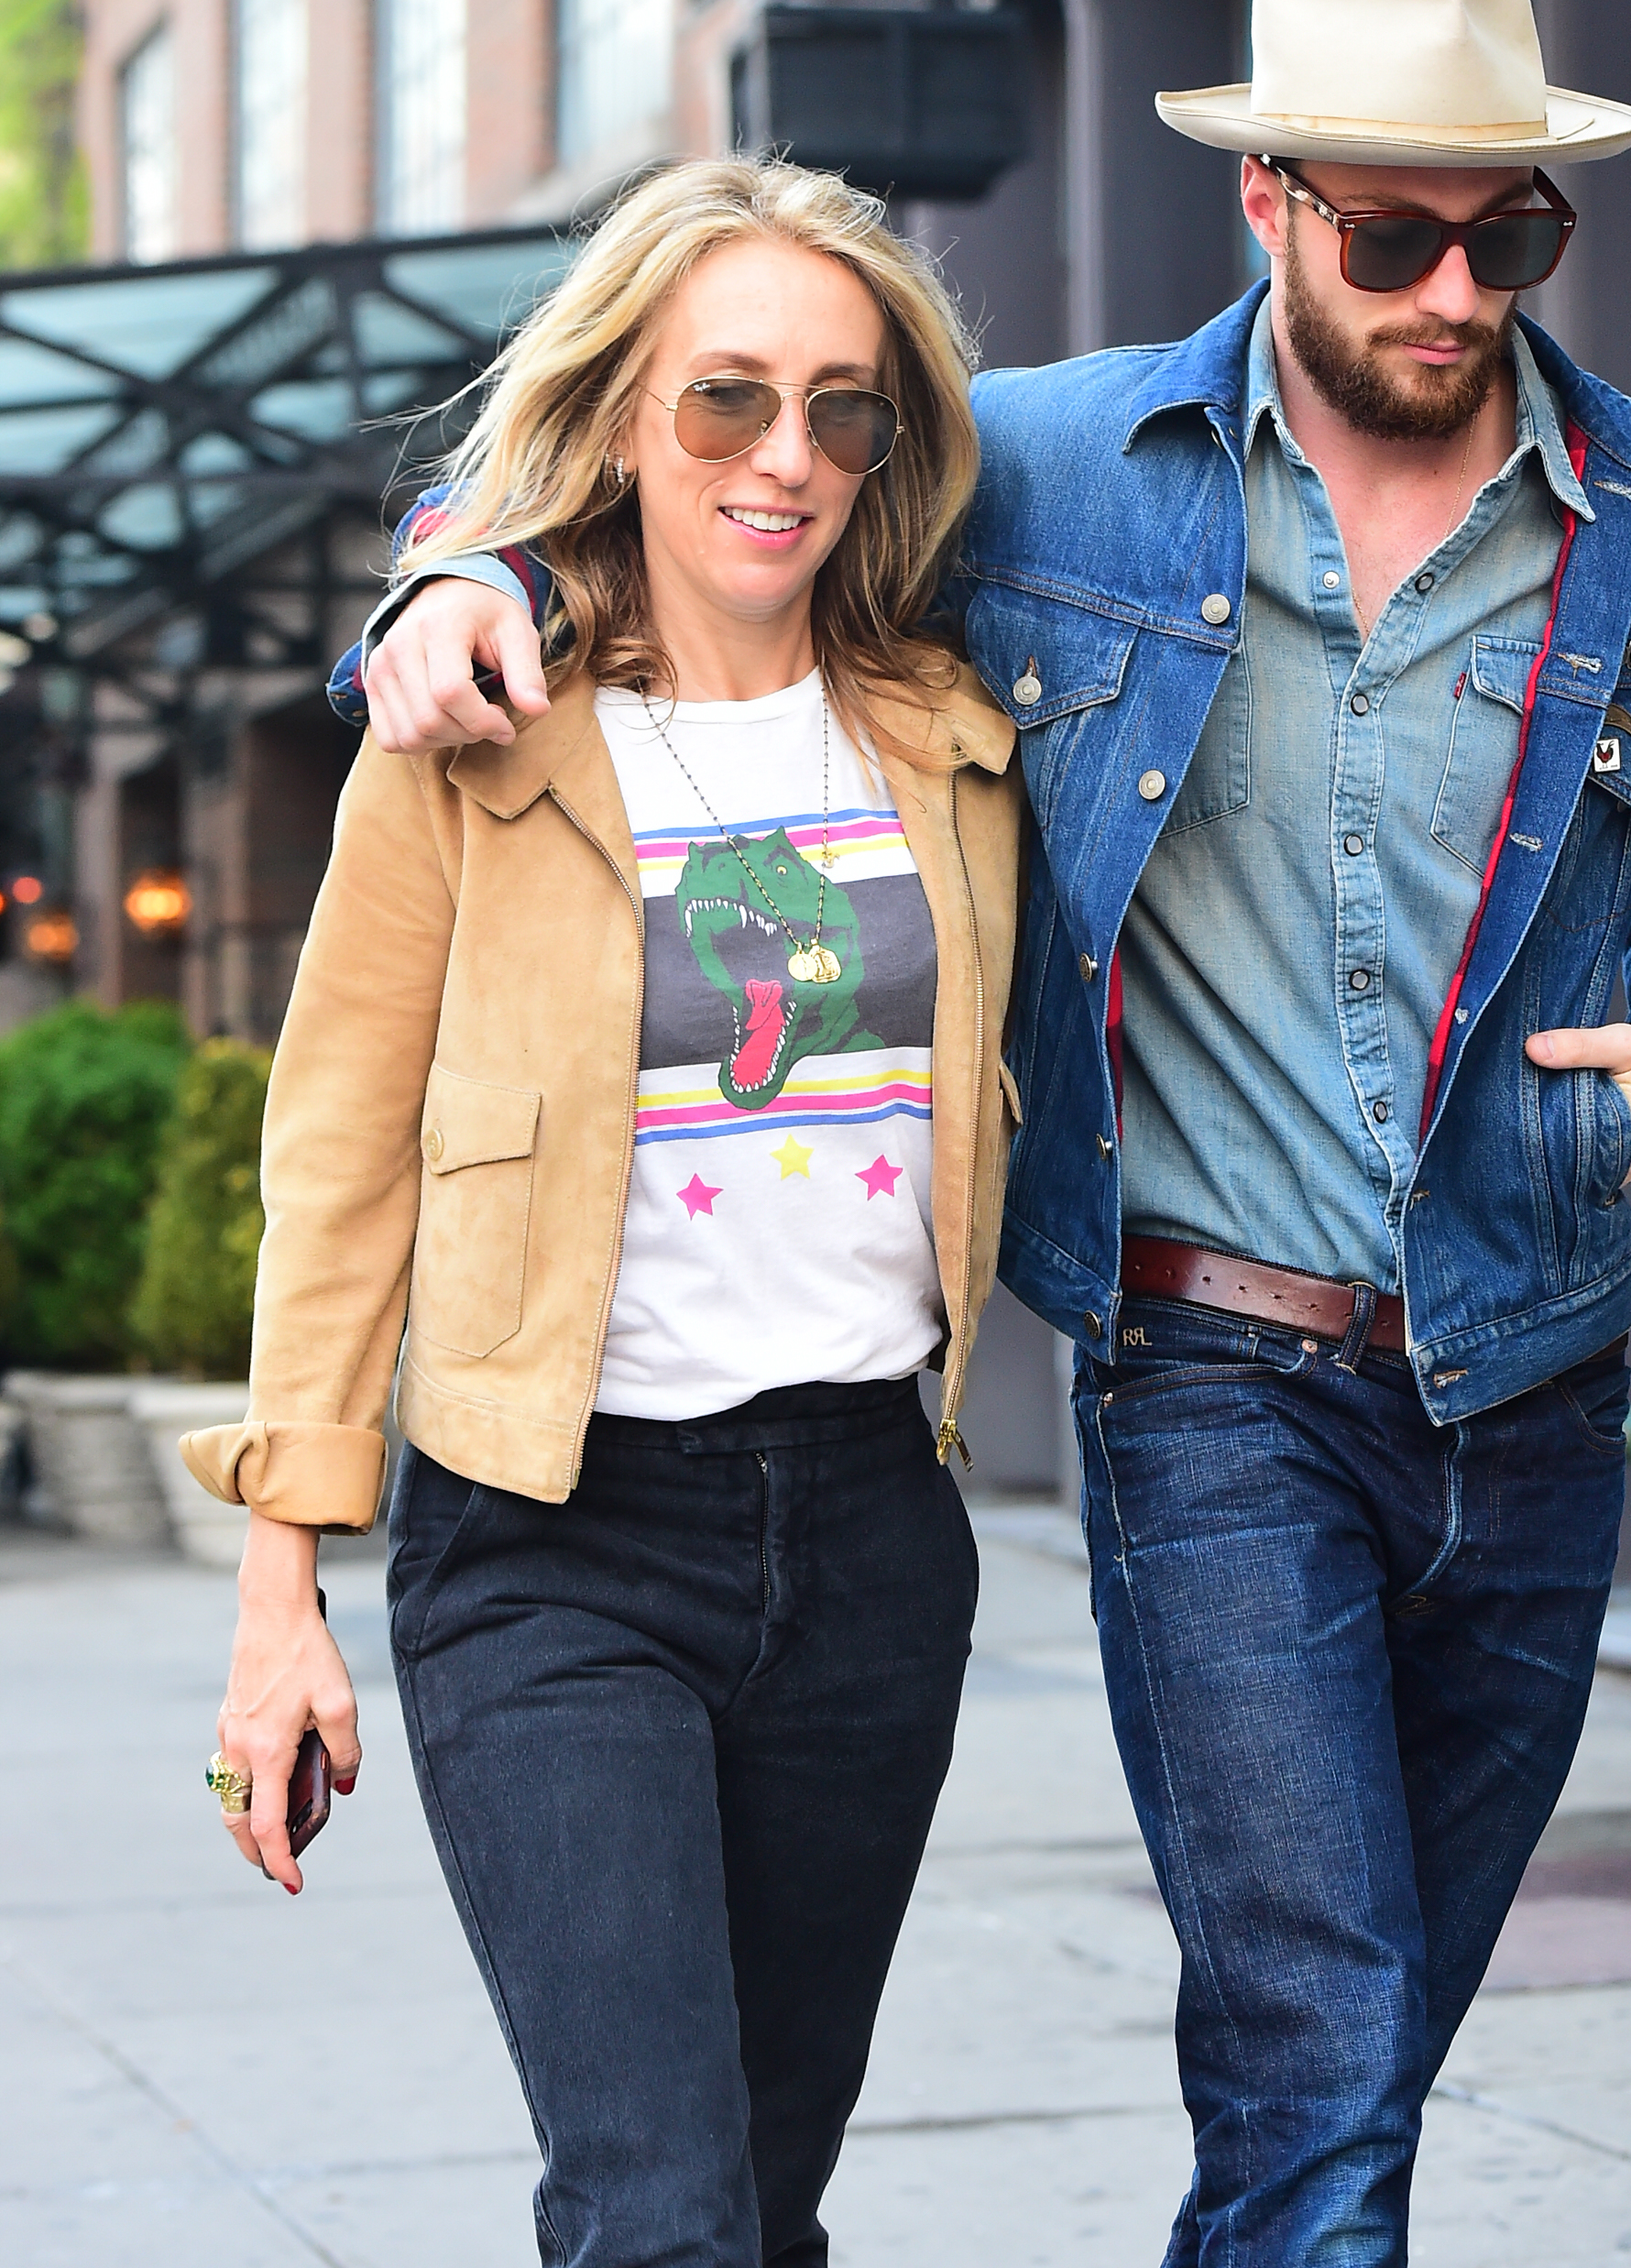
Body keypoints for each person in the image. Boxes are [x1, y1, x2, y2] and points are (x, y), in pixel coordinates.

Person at [339, 0, 1631, 2264]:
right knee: (1322, 2034)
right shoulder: (1058, 473)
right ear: (1266, 203)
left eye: (1510, 236)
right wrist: (449, 568)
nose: (1457, 290)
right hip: (1211, 1377)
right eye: (1392, 233)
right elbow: (699, 451)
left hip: (1534, 1374)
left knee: (1356, 2052)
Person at [184, 159, 1023, 2268]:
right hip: (551, 1542)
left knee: (763, 2194)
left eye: (844, 408)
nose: (787, 458)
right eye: (725, 398)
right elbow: (339, 1147)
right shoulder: (475, 728)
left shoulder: (953, 723)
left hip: (865, 1536)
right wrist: (280, 1593)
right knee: (655, 2211)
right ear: (626, 409)